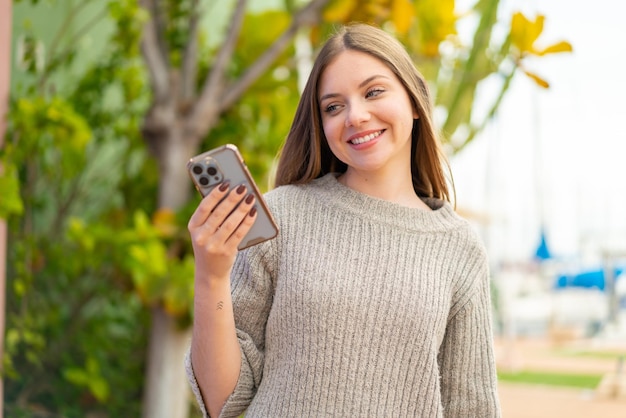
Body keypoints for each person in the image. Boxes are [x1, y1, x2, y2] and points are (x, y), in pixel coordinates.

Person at [186, 23, 501, 418]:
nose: (356, 116)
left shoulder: (459, 247)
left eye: (373, 92)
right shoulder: (282, 215)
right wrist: (211, 276)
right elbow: (221, 403)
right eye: (334, 107)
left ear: (415, 100)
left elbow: (472, 408)